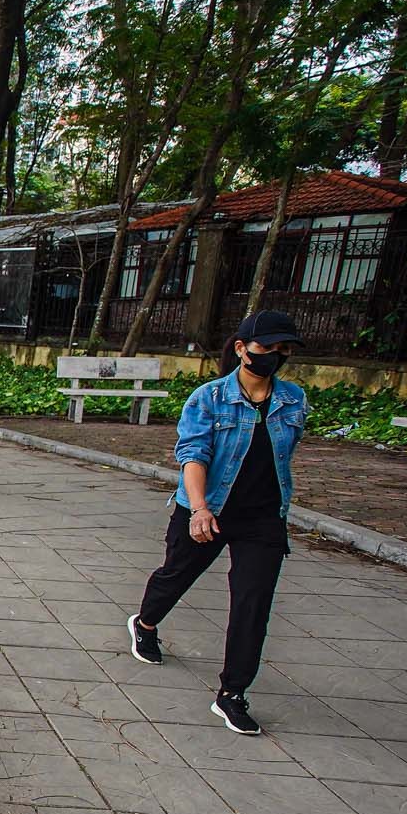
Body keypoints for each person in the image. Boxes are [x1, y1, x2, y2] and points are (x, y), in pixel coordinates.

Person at [128, 311, 308, 736]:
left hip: (263, 518)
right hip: (207, 508)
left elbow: (283, 455)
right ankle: (146, 623)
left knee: (252, 604)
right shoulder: (208, 398)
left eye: (283, 349)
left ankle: (232, 694)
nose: (276, 356)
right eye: (267, 348)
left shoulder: (293, 399)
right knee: (176, 576)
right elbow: (193, 455)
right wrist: (200, 508)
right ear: (242, 349)